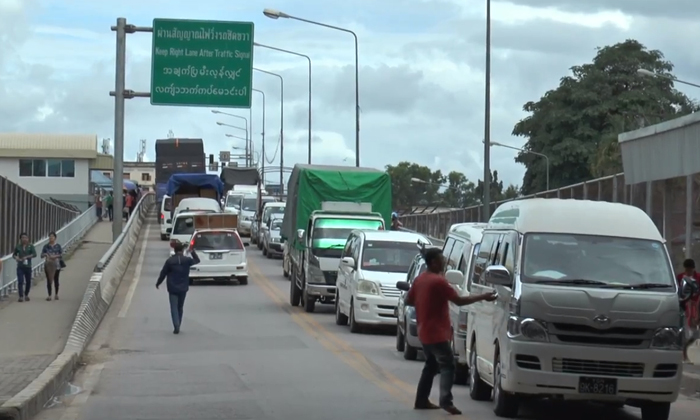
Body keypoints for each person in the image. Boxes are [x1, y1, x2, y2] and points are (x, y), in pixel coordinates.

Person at [405, 248, 497, 414]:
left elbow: (408, 300)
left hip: (424, 331)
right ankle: (446, 401)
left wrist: (425, 306)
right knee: (448, 365)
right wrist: (483, 296)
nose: (445, 262)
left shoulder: (420, 280)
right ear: (433, 262)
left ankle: (421, 400)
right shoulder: (438, 281)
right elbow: (459, 300)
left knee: (431, 365)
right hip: (437, 333)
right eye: (442, 259)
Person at [156, 243, 200, 334]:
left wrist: (158, 283)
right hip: (183, 287)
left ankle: (176, 325)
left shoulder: (170, 261)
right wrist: (192, 251)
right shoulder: (187, 260)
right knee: (180, 307)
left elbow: (163, 273)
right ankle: (178, 323)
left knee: (173, 307)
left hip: (172, 288)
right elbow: (197, 260)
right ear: (182, 250)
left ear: (175, 250)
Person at [677, 258, 700, 362]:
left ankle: (685, 349)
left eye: (690, 269)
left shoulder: (698, 277)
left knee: (695, 334)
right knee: (685, 332)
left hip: (696, 307)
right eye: (687, 269)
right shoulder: (680, 277)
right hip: (684, 308)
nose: (688, 271)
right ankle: (684, 353)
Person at [12, 233, 37, 302]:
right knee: (20, 281)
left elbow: (35, 254)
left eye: (26, 237)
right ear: (20, 239)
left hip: (28, 266)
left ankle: (26, 294)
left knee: (28, 281)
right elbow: (14, 255)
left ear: (28, 239)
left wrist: (27, 257)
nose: (24, 239)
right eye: (23, 238)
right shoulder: (18, 247)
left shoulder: (30, 246)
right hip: (20, 266)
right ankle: (20, 296)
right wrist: (16, 257)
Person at [41, 232, 63, 301]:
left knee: (56, 279)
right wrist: (46, 255)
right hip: (48, 264)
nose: (51, 238)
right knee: (49, 280)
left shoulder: (58, 246)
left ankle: (56, 294)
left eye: (52, 237)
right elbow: (41, 255)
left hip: (56, 265)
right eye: (50, 237)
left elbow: (61, 254)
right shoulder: (46, 246)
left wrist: (55, 256)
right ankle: (49, 295)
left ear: (55, 238)